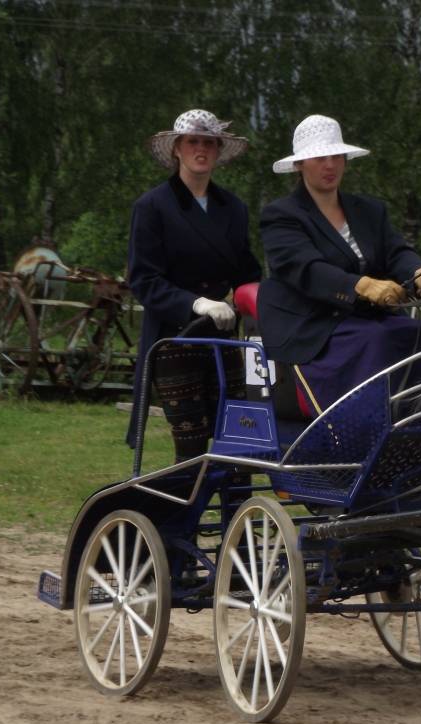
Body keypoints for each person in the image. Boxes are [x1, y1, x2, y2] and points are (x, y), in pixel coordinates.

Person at [257, 114, 421, 419]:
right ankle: (370, 425)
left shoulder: (370, 210)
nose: (330, 165)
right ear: (299, 165)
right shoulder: (280, 215)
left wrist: (416, 271)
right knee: (376, 340)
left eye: (336, 156)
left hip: (366, 319)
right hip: (313, 325)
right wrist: (360, 286)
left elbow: (397, 252)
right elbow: (305, 268)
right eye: (319, 158)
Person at [125, 109, 262, 461]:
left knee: (242, 438)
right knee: (192, 443)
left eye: (209, 143)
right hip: (174, 339)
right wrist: (196, 303)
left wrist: (258, 304)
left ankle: (231, 497)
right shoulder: (152, 206)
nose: (201, 149)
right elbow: (143, 279)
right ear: (177, 149)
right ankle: (184, 498)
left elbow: (248, 272)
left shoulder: (233, 208)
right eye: (192, 142)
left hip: (223, 337)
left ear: (218, 150)